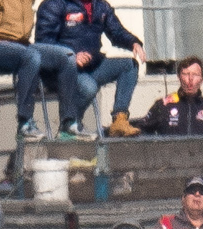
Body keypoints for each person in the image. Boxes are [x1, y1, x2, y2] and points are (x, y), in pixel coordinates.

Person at [0, 0, 79, 144]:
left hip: (21, 46)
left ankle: (68, 124)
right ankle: (25, 124)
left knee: (67, 56)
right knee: (31, 57)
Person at [37, 0, 146, 138]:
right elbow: (44, 43)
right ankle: (68, 126)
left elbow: (116, 31)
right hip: (60, 71)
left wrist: (133, 42)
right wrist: (70, 56)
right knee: (88, 87)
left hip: (91, 66)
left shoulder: (100, 6)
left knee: (129, 65)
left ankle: (119, 119)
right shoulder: (54, 5)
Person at [136, 56, 203, 136]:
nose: (190, 79)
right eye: (186, 74)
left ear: (202, 79)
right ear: (179, 77)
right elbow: (141, 131)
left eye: (195, 74)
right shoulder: (163, 105)